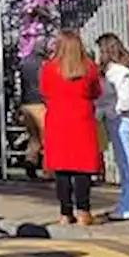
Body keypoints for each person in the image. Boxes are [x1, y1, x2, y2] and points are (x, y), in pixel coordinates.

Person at [40, 30, 103, 226]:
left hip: (58, 120)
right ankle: (83, 210)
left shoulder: (49, 69)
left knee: (62, 169)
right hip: (82, 119)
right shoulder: (89, 68)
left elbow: (44, 91)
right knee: (82, 168)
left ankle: (65, 213)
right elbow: (96, 92)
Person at [95, 33, 129, 221]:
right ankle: (127, 202)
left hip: (121, 120)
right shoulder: (125, 68)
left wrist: (112, 112)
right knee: (125, 163)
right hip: (124, 119)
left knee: (127, 163)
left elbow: (126, 100)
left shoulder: (117, 71)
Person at [18, 38, 50, 179]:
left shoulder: (23, 63)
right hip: (40, 103)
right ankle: (49, 169)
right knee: (47, 137)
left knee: (34, 137)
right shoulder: (44, 64)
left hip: (26, 103)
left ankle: (30, 161)